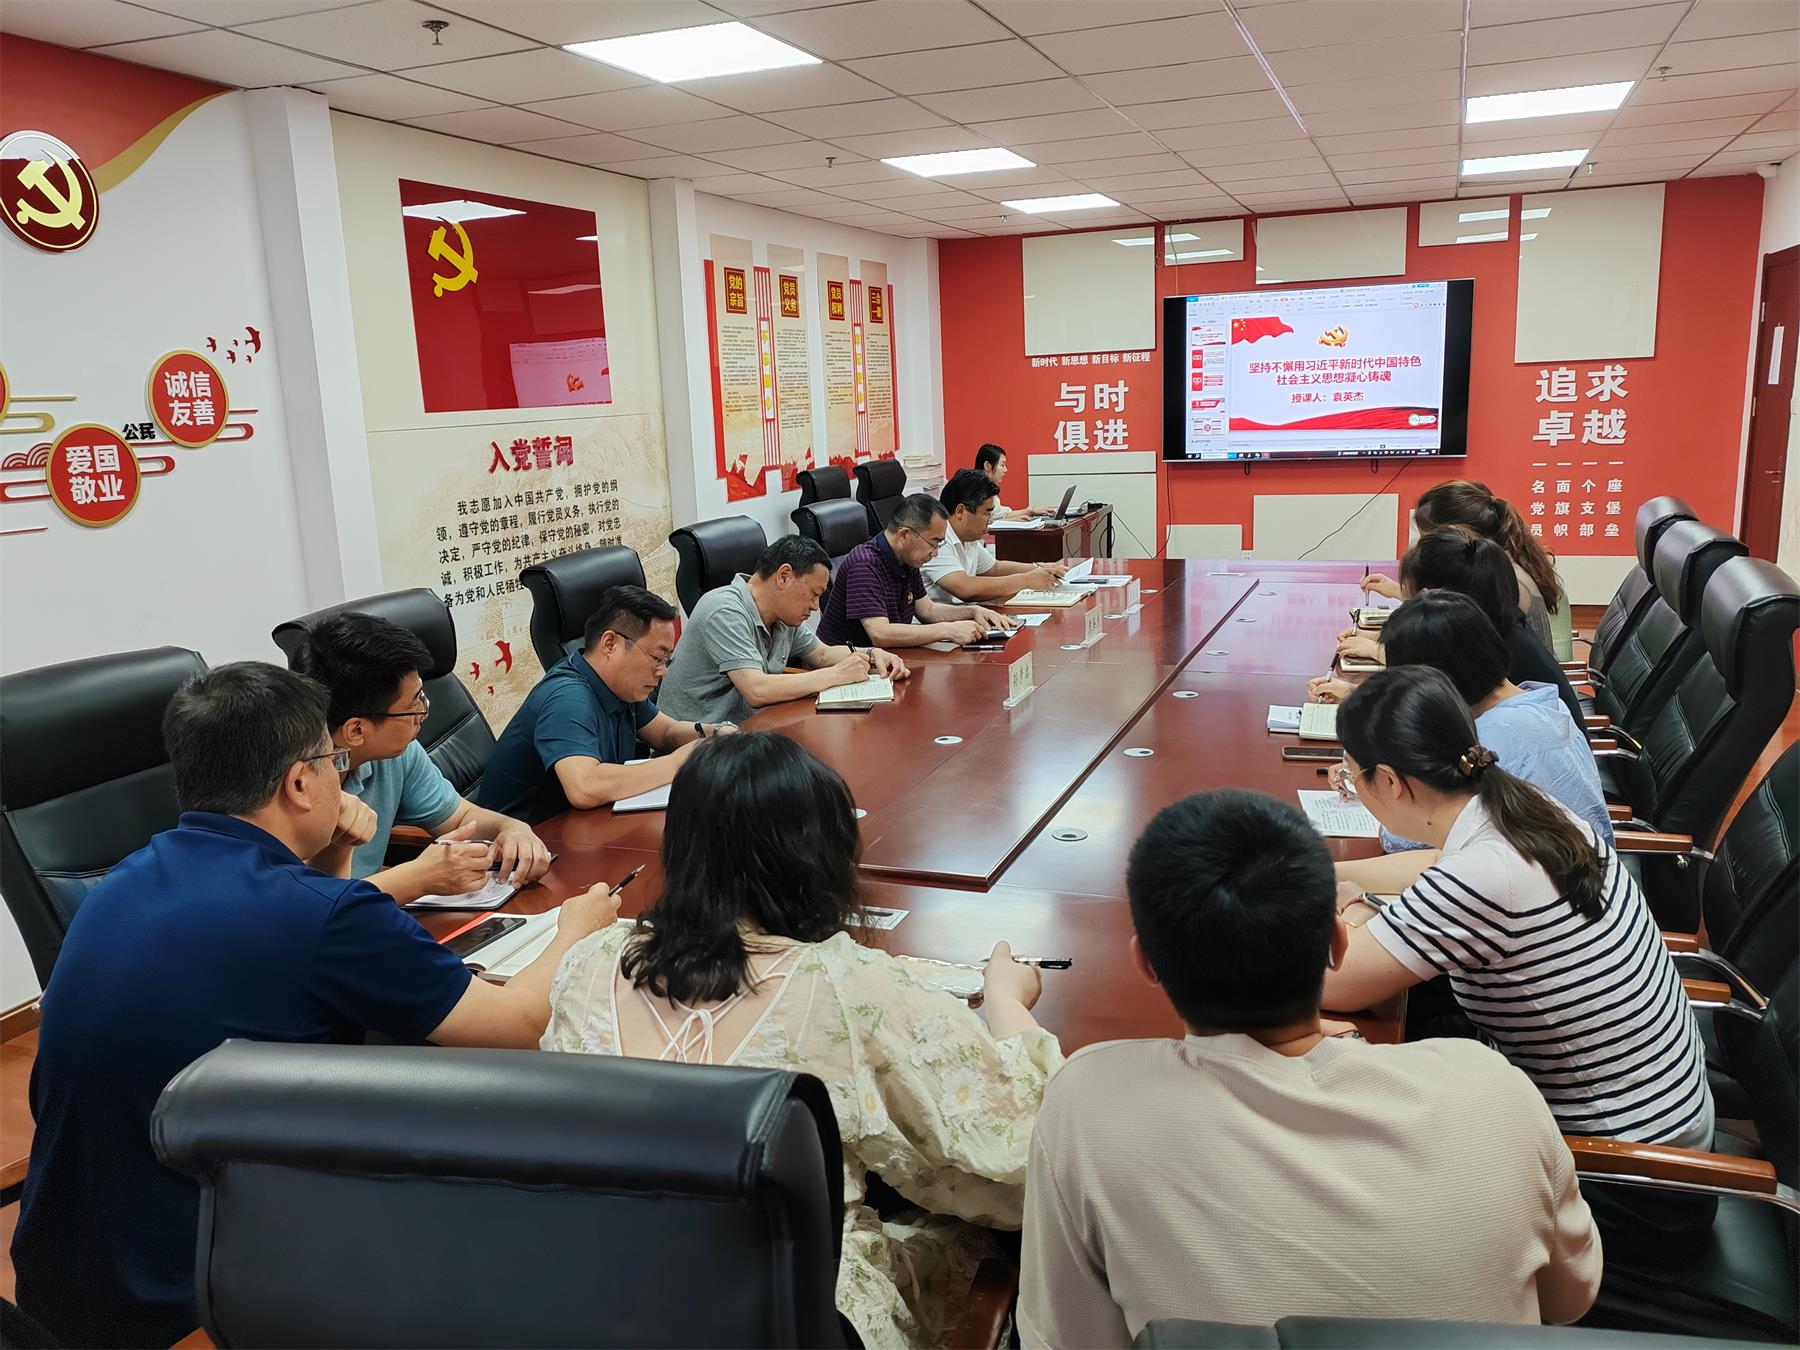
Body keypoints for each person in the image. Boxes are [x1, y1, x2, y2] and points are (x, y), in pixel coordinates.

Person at [11, 662, 619, 1349]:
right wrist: (578, 930)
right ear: (300, 783)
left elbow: (286, 961)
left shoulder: (126, 876)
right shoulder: (325, 917)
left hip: (73, 1281)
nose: (344, 779)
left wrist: (334, 857)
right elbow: (522, 1026)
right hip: (199, 1300)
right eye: (336, 763)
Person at [1017, 788, 1601, 1345]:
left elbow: (1070, 1338)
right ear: (1338, 944)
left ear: (1146, 963)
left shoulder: (1086, 1108)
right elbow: (1570, 1298)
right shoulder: (1492, 1088)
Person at [543, 732, 1063, 1347]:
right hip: (785, 1315)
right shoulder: (845, 984)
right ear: (818, 856)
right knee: (981, 1245)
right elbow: (1027, 1149)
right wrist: (1006, 1000)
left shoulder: (590, 962)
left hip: (599, 1299)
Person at [1324, 666, 1714, 1244]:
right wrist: (1329, 871)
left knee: (1355, 1163)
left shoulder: (1486, 875)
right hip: (1662, 1126)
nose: (1351, 785)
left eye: (1350, 775)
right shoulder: (1518, 805)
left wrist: (1353, 905)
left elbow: (1334, 981)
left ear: (1389, 780)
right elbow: (1435, 865)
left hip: (1627, 1182)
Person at [1312, 591, 1613, 852]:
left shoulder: (1493, 739)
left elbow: (1407, 837)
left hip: (1554, 889)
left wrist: (1370, 785)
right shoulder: (1537, 701)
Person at [287, 611, 551, 901]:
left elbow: (460, 817)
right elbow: (301, 905)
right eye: (414, 706)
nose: (424, 714)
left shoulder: (394, 754)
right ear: (356, 731)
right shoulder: (282, 784)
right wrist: (417, 878)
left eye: (422, 697)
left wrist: (511, 828)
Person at [477, 585, 738, 822]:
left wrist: (716, 733)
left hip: (583, 826)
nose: (663, 671)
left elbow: (665, 732)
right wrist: (678, 762)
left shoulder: (620, 686)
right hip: (524, 841)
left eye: (666, 660)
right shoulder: (568, 698)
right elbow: (584, 787)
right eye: (657, 658)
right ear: (610, 643)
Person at [1336, 530, 1584, 727]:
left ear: (1431, 597)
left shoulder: (1478, 644)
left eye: (1408, 594)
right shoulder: (1492, 624)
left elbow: (1435, 709)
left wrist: (1355, 693)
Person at [657, 535, 910, 726]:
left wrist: (873, 654)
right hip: (696, 746)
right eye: (813, 594)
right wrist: (836, 675)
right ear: (784, 576)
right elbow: (757, 690)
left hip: (749, 732)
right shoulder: (724, 610)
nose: (815, 606)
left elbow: (822, 655)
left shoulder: (782, 616)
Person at [1362, 480, 1566, 655]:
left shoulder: (1496, 578)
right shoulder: (1495, 566)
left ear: (1458, 534)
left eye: (1431, 540)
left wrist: (1378, 650)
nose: (1428, 550)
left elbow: (1454, 654)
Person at [816, 492, 1017, 650]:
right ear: (905, 534)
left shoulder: (908, 559)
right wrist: (947, 630)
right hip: (844, 667)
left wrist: (974, 612)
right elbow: (880, 634)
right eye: (933, 543)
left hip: (889, 660)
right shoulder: (865, 564)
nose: (935, 553)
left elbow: (927, 611)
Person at [923, 469, 1069, 604]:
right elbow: (965, 587)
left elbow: (994, 568)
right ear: (960, 511)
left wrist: (1038, 568)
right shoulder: (937, 539)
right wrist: (1025, 580)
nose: (990, 520)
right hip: (942, 621)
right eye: (986, 513)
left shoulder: (968, 537)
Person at [975, 442, 1051, 520]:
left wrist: (1030, 511)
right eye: (1002, 465)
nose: (1005, 470)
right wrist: (1011, 520)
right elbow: (984, 522)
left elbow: (1000, 515)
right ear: (987, 466)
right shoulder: (976, 492)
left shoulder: (989, 491)